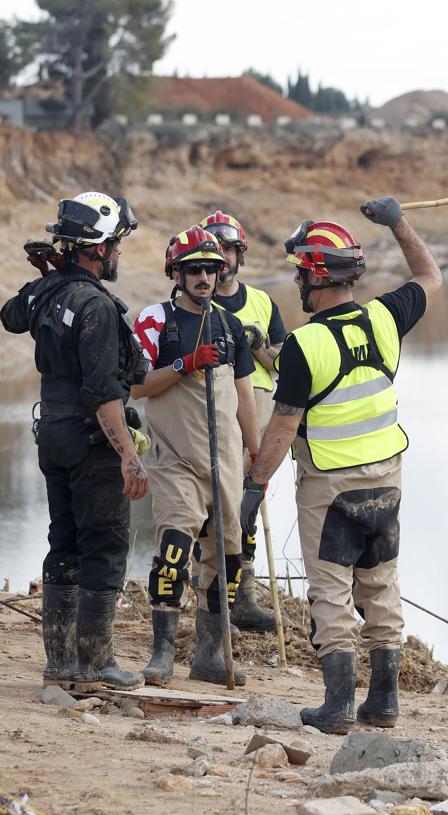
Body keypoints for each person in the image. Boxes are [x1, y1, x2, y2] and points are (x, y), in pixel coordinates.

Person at [240, 198, 443, 733]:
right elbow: (429, 274)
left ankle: (336, 708)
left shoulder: (307, 344)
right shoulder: (384, 318)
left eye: (301, 275)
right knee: (380, 583)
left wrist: (254, 487)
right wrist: (398, 221)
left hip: (330, 486)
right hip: (386, 480)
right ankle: (384, 702)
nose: (298, 287)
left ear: (316, 276)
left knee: (330, 589)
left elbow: (282, 427)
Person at [0, 192, 147, 693]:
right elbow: (104, 394)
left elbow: (9, 315)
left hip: (53, 436)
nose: (119, 255)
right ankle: (95, 663)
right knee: (103, 546)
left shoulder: (49, 293)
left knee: (63, 543)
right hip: (90, 439)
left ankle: (59, 664)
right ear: (97, 249)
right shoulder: (96, 307)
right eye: (117, 245)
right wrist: (129, 456)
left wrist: (49, 273)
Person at [132, 225, 261, 687]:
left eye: (212, 268)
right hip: (175, 460)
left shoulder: (229, 325)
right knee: (172, 554)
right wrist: (184, 364)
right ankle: (162, 654)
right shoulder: (155, 321)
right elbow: (134, 384)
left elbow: (244, 395)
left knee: (224, 560)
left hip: (225, 462)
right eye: (194, 270)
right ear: (176, 273)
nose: (205, 277)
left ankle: (209, 656)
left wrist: (258, 454)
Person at [200, 210, 285, 633]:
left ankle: (246, 598)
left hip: (261, 406)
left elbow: (284, 361)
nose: (224, 257)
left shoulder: (263, 302)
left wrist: (259, 345)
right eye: (216, 249)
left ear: (240, 254)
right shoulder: (196, 300)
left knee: (250, 504)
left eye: (230, 249)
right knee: (218, 504)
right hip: (214, 406)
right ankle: (215, 602)